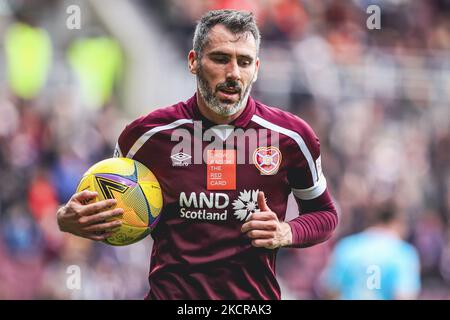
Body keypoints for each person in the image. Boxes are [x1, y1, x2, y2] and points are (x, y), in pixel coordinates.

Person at [57, 9, 338, 300]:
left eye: (243, 62)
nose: (233, 74)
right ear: (193, 62)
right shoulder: (145, 136)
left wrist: (286, 232)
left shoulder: (292, 137)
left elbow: (324, 214)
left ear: (256, 68)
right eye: (220, 58)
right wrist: (67, 220)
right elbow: (103, 207)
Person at [320, 202, 421, 300]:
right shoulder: (403, 253)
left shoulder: (347, 246)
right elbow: (404, 295)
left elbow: (329, 289)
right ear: (396, 222)